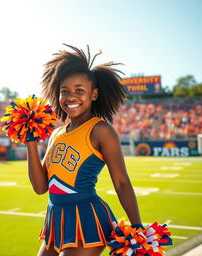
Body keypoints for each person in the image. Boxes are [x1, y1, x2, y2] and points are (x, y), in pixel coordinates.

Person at [26, 44, 142, 256]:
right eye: (64, 91)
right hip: (56, 219)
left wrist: (137, 228)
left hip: (87, 219)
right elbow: (41, 187)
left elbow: (121, 181)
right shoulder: (56, 134)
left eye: (80, 90)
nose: (71, 96)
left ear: (94, 94)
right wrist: (31, 142)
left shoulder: (101, 130)